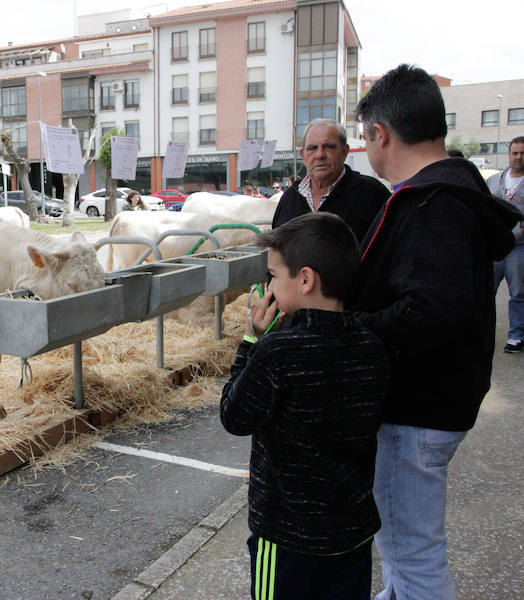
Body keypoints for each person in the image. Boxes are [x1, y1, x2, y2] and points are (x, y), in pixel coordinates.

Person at [350, 64, 522, 600]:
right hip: (431, 405)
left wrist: (348, 333)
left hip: (415, 412)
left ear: (381, 134)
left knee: (414, 552)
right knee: (405, 549)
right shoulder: (450, 190)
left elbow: (431, 311)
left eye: (364, 138)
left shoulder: (432, 204)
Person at [221, 212, 389, 600]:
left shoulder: (278, 352)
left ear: (306, 279)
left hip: (285, 537)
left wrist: (251, 341)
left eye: (274, 276)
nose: (269, 287)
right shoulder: (372, 347)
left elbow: (233, 415)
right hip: (351, 530)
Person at [273, 118, 390, 243]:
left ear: (344, 151)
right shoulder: (290, 197)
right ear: (303, 155)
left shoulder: (372, 194)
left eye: (328, 147)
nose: (319, 155)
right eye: (312, 148)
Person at [486, 136, 524, 353]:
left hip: (518, 247)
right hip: (494, 246)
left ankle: (517, 336)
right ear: (509, 154)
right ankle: (483, 331)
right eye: (515, 153)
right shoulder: (494, 180)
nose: (518, 157)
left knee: (518, 292)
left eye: (523, 153)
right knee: (484, 290)